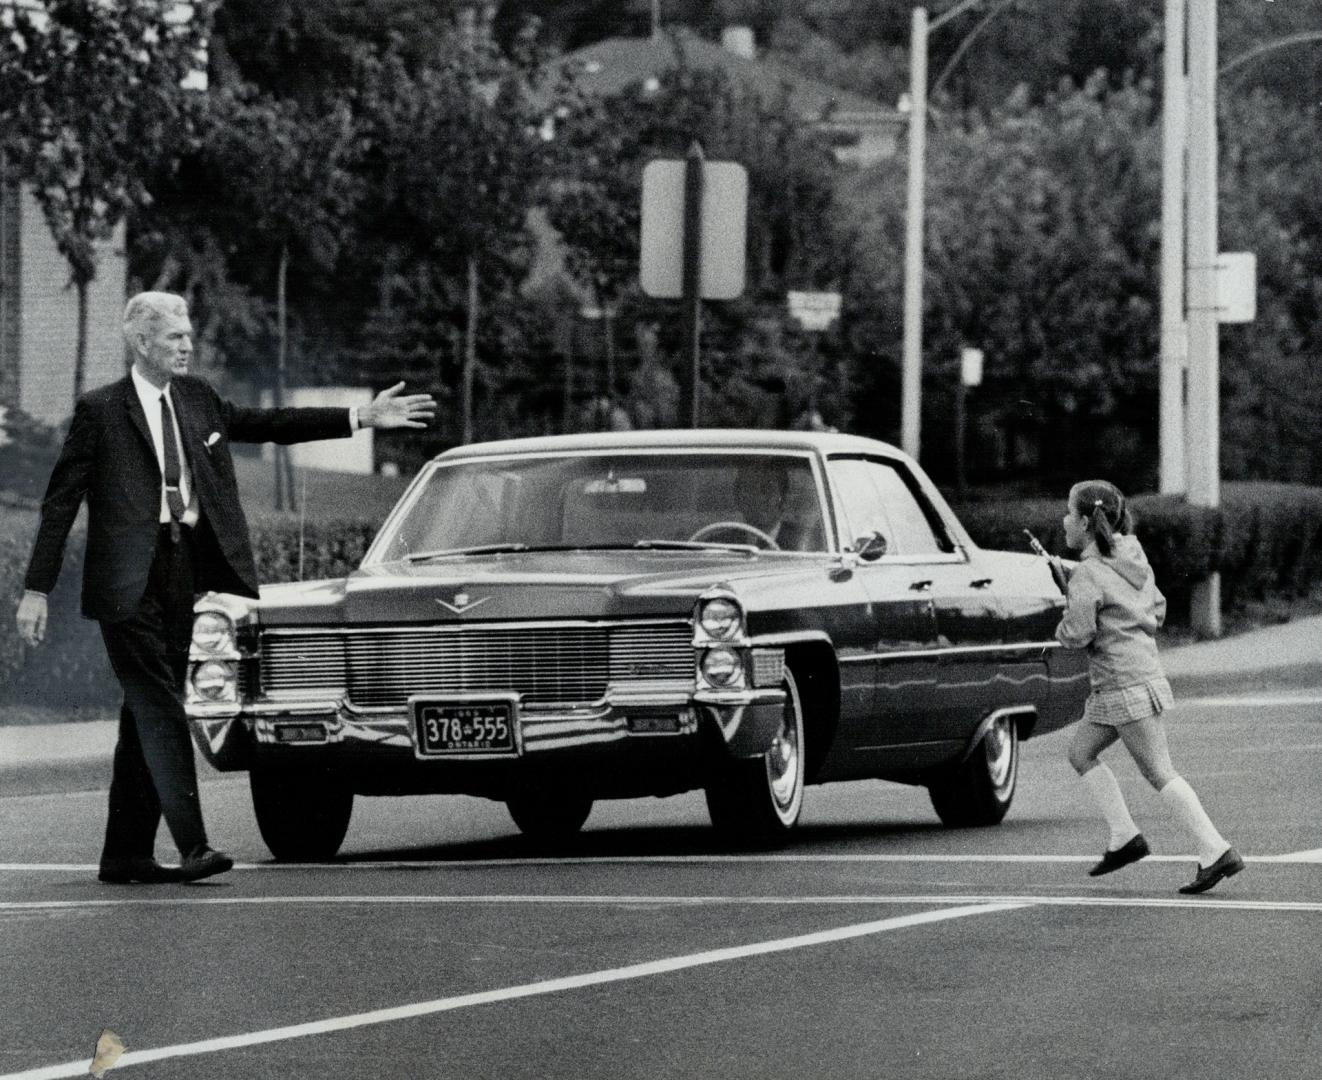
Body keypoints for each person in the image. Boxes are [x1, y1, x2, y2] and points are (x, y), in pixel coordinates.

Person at [13, 292, 435, 885]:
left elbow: (268, 424)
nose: (187, 345)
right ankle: (194, 845)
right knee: (161, 704)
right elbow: (60, 503)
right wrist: (36, 589)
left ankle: (125, 853)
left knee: (143, 717)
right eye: (174, 337)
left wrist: (359, 419)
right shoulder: (100, 411)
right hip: (124, 583)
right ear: (141, 343)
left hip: (181, 571)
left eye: (188, 335)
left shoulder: (198, 398)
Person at [1054, 479, 1244, 895]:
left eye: (1070, 514)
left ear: (1085, 522)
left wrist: (1066, 609)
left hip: (1121, 684)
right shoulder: (1133, 556)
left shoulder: (1087, 571)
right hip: (1137, 677)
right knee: (1081, 753)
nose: (1065, 521)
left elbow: (1078, 633)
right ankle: (1124, 838)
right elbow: (1155, 610)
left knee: (1159, 771)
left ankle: (1215, 850)